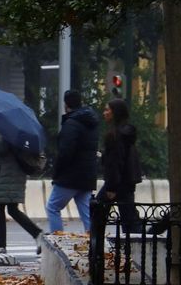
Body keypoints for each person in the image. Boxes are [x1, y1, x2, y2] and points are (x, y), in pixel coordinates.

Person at [46, 90, 100, 231]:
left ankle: (57, 242)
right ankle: (95, 243)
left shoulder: (71, 124)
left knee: (53, 207)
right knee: (87, 213)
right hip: (87, 175)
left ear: (66, 104)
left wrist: (56, 173)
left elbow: (65, 153)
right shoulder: (91, 123)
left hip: (70, 176)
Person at [0, 131, 40, 257]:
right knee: (11, 209)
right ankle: (1, 244)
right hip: (14, 175)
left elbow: (0, 148)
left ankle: (0, 245)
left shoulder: (8, 131)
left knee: (1, 208)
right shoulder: (19, 131)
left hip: (7, 175)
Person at [98, 98, 144, 233]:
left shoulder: (115, 135)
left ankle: (96, 246)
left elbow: (115, 162)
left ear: (115, 113)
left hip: (117, 182)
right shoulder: (125, 133)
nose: (104, 113)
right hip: (127, 181)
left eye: (107, 110)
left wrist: (111, 187)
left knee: (98, 212)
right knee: (129, 219)